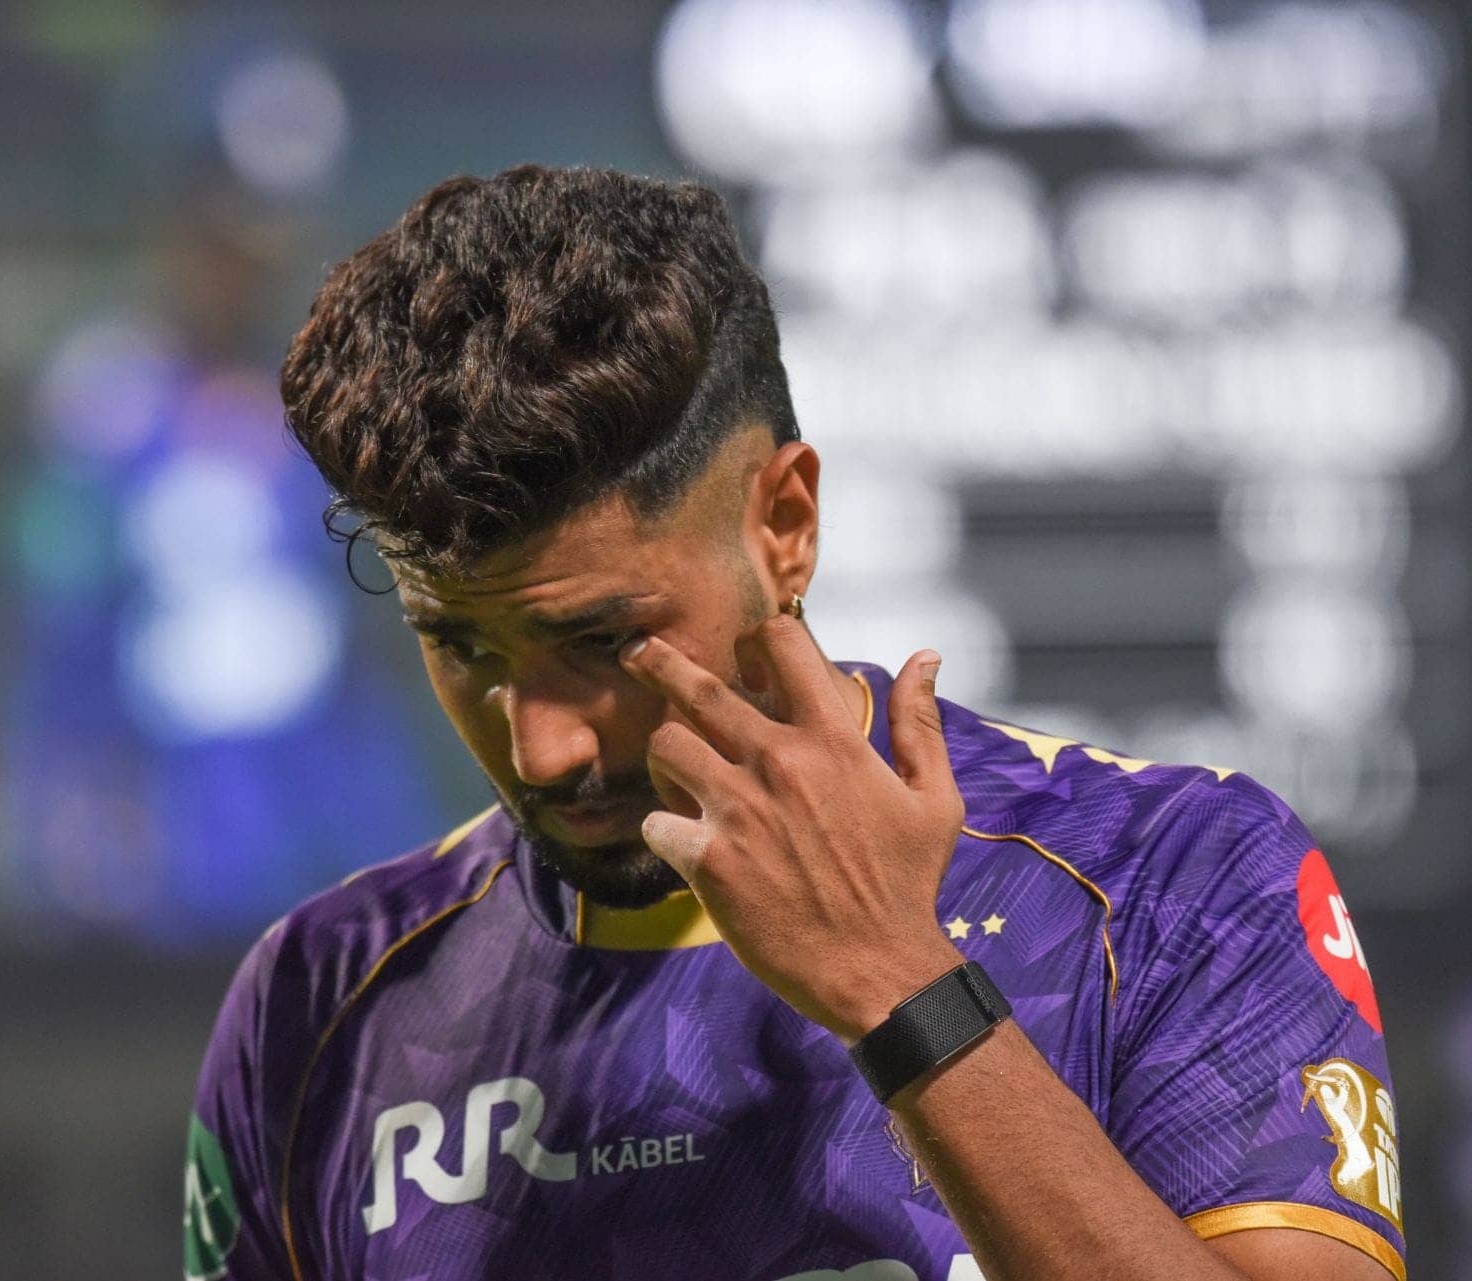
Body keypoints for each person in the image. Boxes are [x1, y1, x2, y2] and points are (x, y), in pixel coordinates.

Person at [184, 165, 1405, 1281]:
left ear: (784, 525)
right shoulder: (318, 1004)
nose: (545, 747)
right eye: (463, 648)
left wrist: (899, 983)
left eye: (605, 642)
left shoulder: (1176, 880)